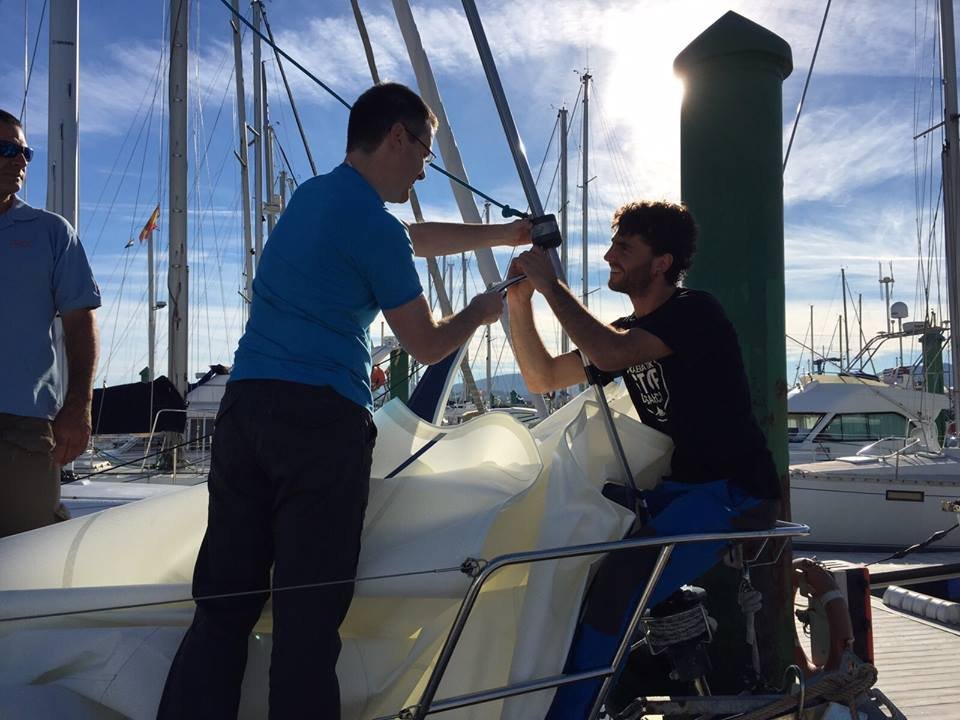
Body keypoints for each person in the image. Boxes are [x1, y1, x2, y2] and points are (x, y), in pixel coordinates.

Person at [158, 82, 530, 719]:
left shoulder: (314, 199)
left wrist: (503, 232)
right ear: (396, 137)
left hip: (245, 414)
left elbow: (411, 237)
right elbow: (429, 343)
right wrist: (477, 311)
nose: (423, 169)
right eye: (424, 152)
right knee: (307, 624)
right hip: (319, 426)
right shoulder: (374, 230)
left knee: (222, 610)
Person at [505, 200, 781, 719]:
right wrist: (520, 303)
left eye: (624, 248)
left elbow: (610, 356)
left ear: (661, 263)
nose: (610, 255)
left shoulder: (695, 313)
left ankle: (567, 714)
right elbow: (542, 377)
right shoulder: (626, 328)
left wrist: (551, 285)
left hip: (736, 494)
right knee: (570, 540)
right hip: (681, 490)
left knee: (619, 583)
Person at [0, 108, 101, 538]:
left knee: (28, 557)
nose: (19, 160)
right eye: (6, 149)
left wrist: (79, 405)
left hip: (23, 430)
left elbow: (80, 327)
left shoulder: (52, 233)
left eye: (25, 151)